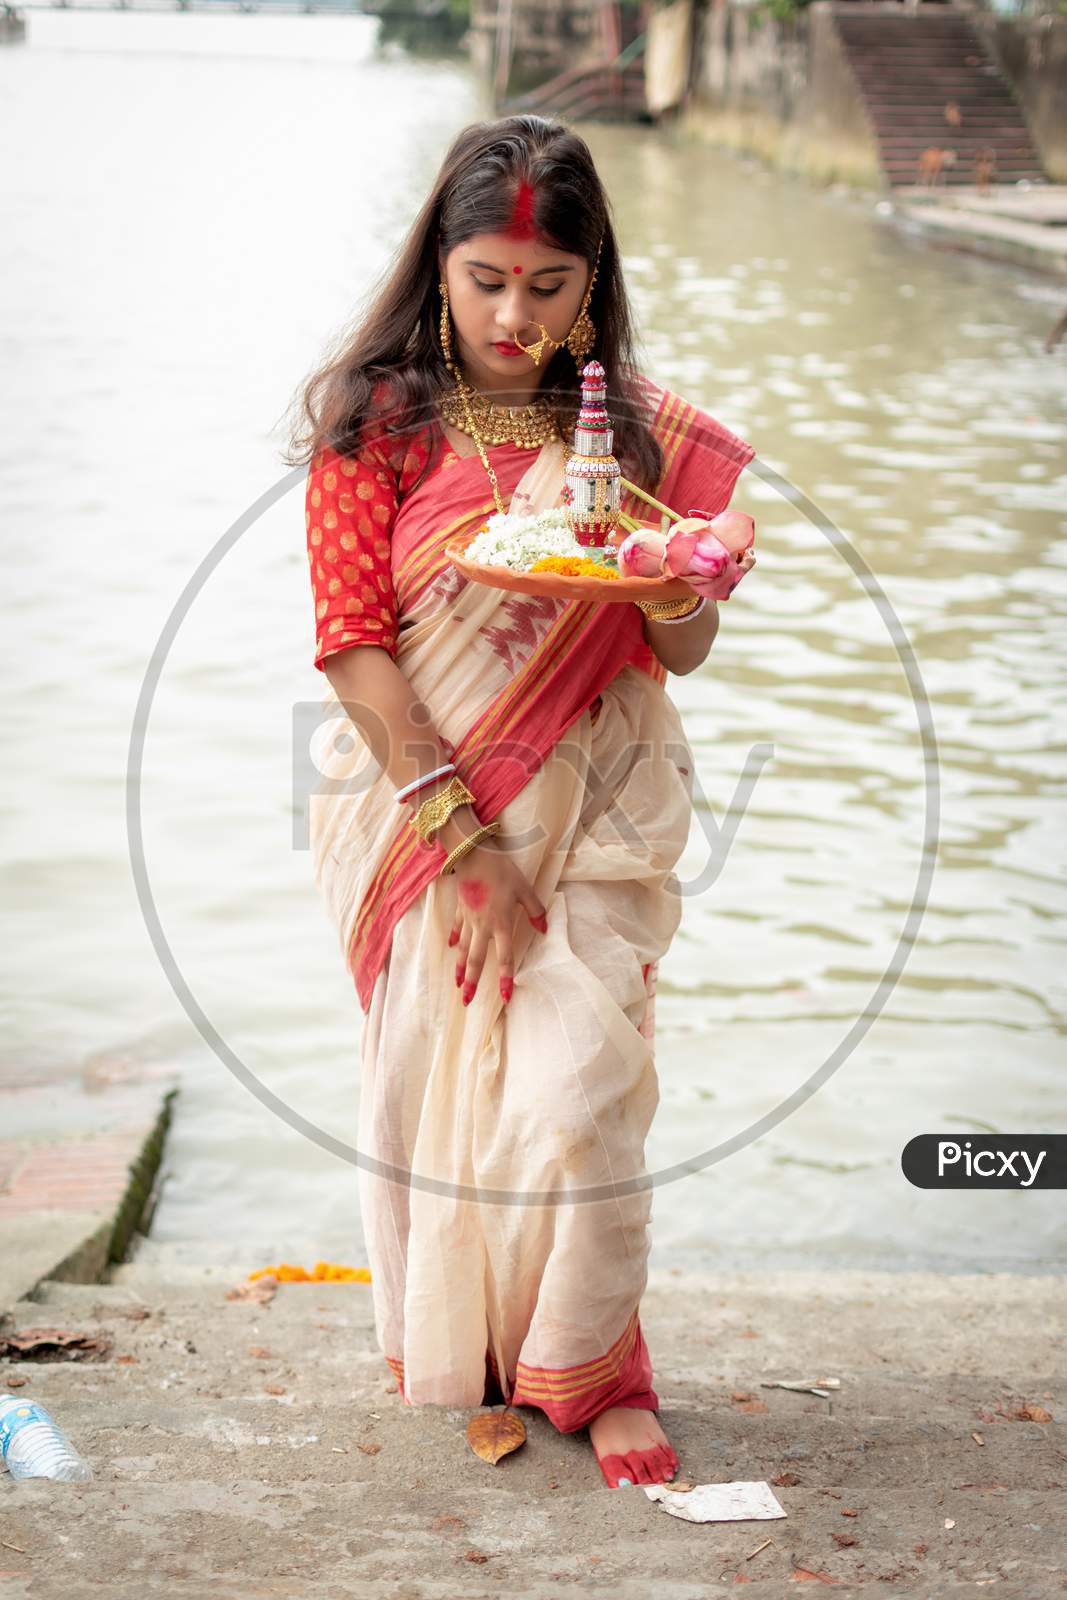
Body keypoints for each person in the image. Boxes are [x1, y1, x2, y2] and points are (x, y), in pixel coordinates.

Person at [286, 114, 755, 1490]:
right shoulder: (373, 423)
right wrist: (463, 844)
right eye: (486, 278)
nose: (513, 315)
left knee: (581, 1088)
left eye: (548, 288)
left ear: (593, 280)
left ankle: (598, 1365)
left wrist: (676, 584)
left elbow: (676, 641)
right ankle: (503, 1348)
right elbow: (355, 642)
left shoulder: (640, 433)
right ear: (438, 266)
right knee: (459, 1092)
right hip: (419, 799)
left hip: (602, 793)